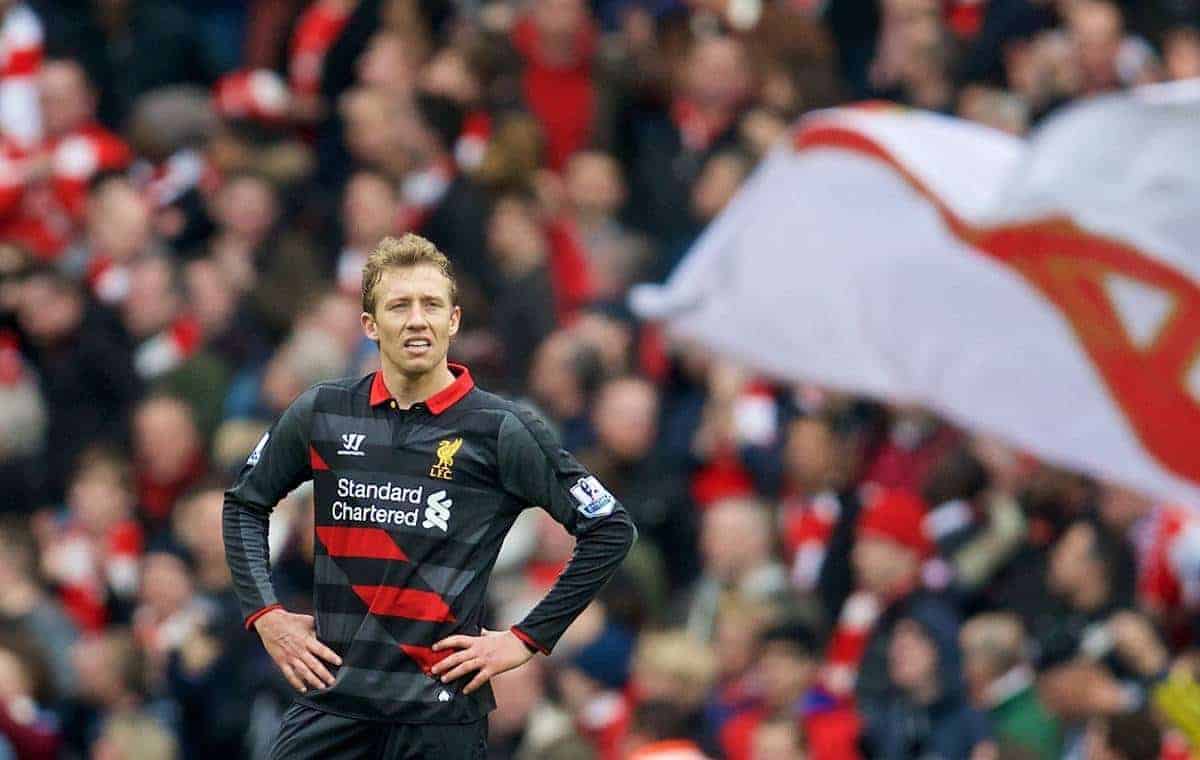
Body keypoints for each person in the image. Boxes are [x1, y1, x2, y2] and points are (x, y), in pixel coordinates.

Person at [222, 233, 637, 759]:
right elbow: (244, 503)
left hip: (439, 718)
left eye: (431, 305)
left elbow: (609, 528)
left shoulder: (502, 428)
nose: (417, 319)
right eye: (399, 305)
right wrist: (267, 616)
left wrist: (524, 638)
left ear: (454, 321)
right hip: (332, 705)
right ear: (370, 325)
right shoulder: (322, 411)